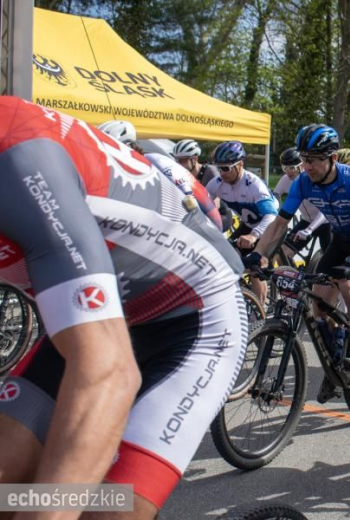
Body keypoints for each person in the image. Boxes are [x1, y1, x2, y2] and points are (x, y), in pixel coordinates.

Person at [0, 96, 246, 518]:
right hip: (112, 310)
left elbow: (108, 372)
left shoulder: (18, 158)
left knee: (104, 509)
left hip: (196, 317)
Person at [255, 125, 350, 396]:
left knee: (349, 287)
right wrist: (258, 256)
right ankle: (336, 364)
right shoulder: (303, 182)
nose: (306, 166)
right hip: (342, 236)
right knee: (319, 302)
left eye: (313, 160)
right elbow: (279, 224)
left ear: (333, 159)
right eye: (304, 159)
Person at [206, 140, 280, 304]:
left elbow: (271, 216)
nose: (221, 173)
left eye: (226, 168)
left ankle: (259, 316)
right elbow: (201, 207)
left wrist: (254, 236)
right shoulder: (217, 184)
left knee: (255, 268)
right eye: (219, 168)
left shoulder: (253, 185)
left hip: (270, 227)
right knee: (226, 260)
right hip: (249, 225)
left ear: (240, 164)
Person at [273, 147, 332, 256]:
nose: (288, 172)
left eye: (292, 168)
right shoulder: (286, 179)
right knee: (283, 253)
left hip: (326, 222)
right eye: (285, 168)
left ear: (302, 166)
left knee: (329, 260)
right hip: (306, 221)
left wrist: (310, 229)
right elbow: (274, 197)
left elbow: (325, 210)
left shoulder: (314, 179)